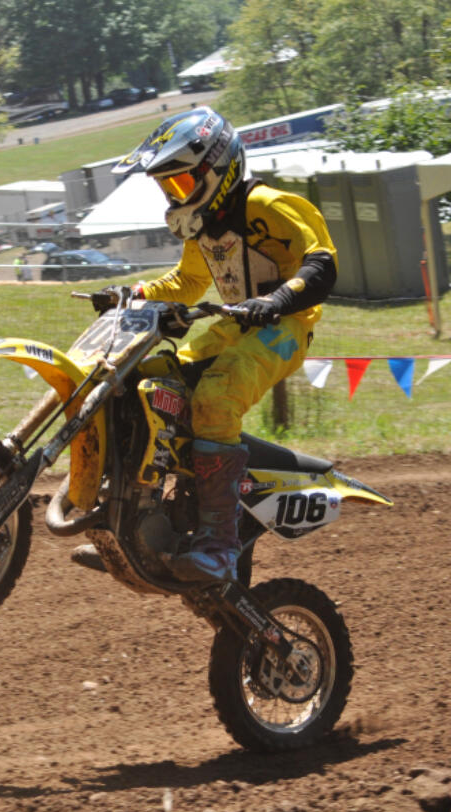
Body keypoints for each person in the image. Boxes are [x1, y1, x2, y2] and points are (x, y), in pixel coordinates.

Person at [72, 106, 338, 583]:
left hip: (284, 328)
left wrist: (276, 299)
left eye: (180, 183)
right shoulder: (204, 226)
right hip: (234, 328)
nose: (174, 196)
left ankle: (219, 542)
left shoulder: (272, 206)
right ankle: (130, 523)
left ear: (219, 168)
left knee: (215, 398)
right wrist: (132, 295)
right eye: (166, 187)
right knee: (149, 383)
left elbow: (321, 263)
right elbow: (189, 281)